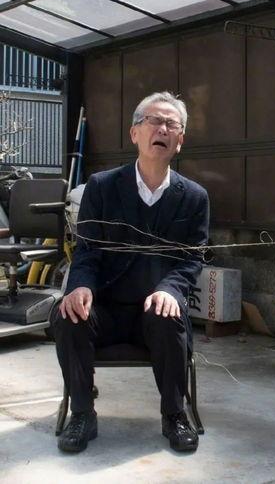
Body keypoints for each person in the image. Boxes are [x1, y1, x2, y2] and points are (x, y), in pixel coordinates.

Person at [53, 91, 209, 453]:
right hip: (106, 307)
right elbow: (87, 249)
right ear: (134, 133)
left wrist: (170, 289)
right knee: (67, 313)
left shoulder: (194, 197)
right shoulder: (101, 186)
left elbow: (192, 259)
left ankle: (174, 415)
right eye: (153, 120)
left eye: (172, 124)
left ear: (180, 140)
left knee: (169, 314)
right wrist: (80, 286)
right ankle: (82, 413)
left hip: (154, 312)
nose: (162, 129)